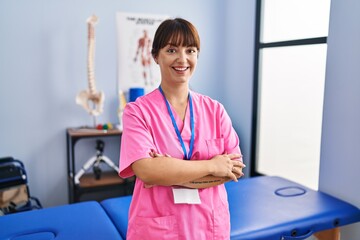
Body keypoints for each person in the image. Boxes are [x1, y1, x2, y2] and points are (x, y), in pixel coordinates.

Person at [119, 17, 245, 240]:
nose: (182, 59)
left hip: (210, 226)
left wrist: (166, 171)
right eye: (171, 50)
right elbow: (147, 171)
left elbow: (233, 170)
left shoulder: (215, 110)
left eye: (191, 50)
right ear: (155, 56)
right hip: (158, 228)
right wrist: (212, 165)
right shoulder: (136, 112)